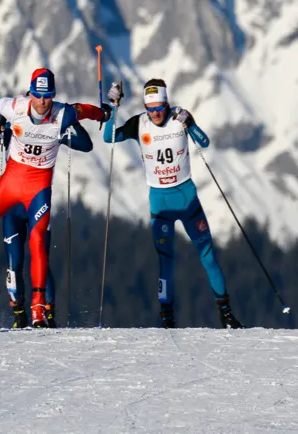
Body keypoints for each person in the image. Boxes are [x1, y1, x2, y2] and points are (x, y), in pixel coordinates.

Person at [0, 67, 111, 328]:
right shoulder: (15, 106)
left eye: (48, 96)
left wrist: (103, 113)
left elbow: (85, 110)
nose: (43, 102)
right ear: (31, 93)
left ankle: (38, 308)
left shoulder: (63, 113)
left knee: (38, 241)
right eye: (38, 95)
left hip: (38, 190)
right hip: (10, 185)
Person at [103, 78, 242, 329]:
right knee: (165, 260)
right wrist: (113, 106)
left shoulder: (179, 117)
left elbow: (204, 142)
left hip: (187, 199)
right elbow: (108, 137)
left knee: (208, 257)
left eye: (159, 108)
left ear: (167, 103)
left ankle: (227, 314)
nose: (155, 114)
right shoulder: (139, 123)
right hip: (160, 203)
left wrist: (189, 122)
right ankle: (167, 317)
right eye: (150, 109)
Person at [0, 116, 92, 328]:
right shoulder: (16, 126)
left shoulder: (53, 129)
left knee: (40, 259)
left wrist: (73, 122)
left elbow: (86, 145)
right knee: (15, 262)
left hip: (38, 205)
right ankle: (19, 315)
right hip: (12, 206)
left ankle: (47, 313)